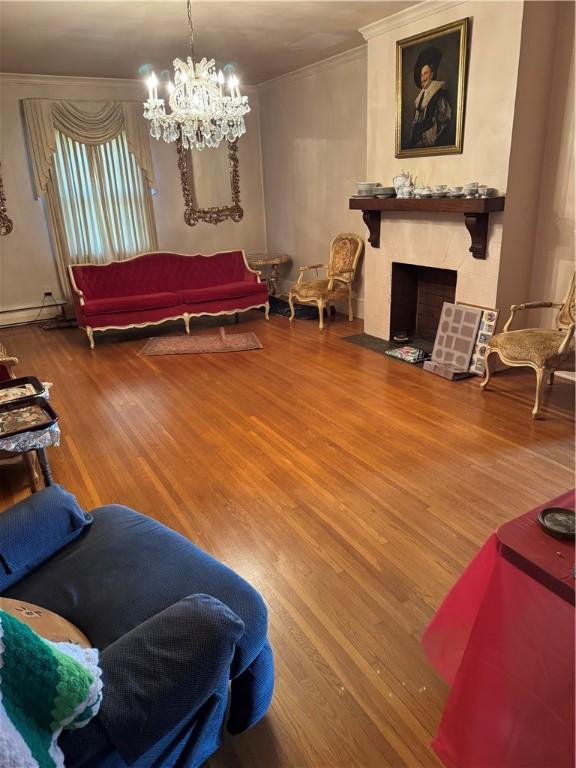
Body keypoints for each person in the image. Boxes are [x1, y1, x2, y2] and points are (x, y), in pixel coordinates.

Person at [409, 47, 452, 148]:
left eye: (426, 73)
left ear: (432, 75)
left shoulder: (438, 94)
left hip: (433, 140)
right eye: (421, 75)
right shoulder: (420, 98)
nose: (423, 78)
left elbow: (444, 120)